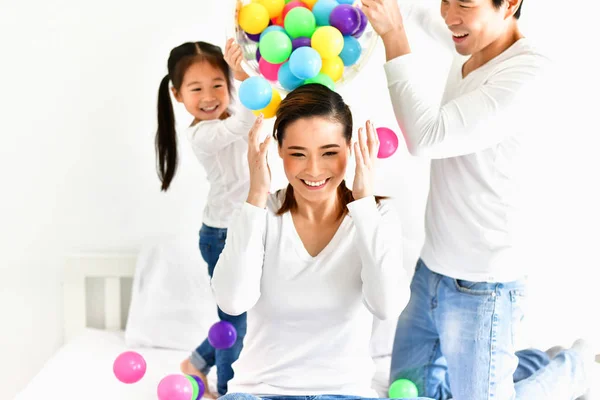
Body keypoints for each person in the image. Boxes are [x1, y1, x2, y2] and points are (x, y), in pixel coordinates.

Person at [360, 0, 597, 398]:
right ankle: (528, 363)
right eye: (445, 0)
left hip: (484, 288)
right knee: (409, 392)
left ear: (510, 5)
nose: (449, 15)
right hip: (430, 272)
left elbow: (426, 137)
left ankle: (574, 369)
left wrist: (393, 35)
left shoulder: (529, 73)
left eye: (465, 4)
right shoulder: (474, 38)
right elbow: (416, 14)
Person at [210, 83, 430, 400]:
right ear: (278, 151)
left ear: (351, 149)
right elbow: (232, 301)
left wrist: (364, 201)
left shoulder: (376, 216)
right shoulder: (259, 213)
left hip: (345, 393)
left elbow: (387, 306)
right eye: (297, 154)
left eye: (329, 153)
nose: (314, 170)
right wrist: (256, 196)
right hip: (259, 392)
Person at [154, 38, 253, 397]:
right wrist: (242, 76)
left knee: (243, 319)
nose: (209, 96)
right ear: (178, 94)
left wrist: (241, 73)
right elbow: (245, 121)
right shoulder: (205, 134)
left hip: (250, 230)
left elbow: (251, 110)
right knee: (235, 322)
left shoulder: (232, 113)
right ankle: (227, 391)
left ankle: (197, 361)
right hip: (223, 236)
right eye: (196, 88)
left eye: (218, 85)